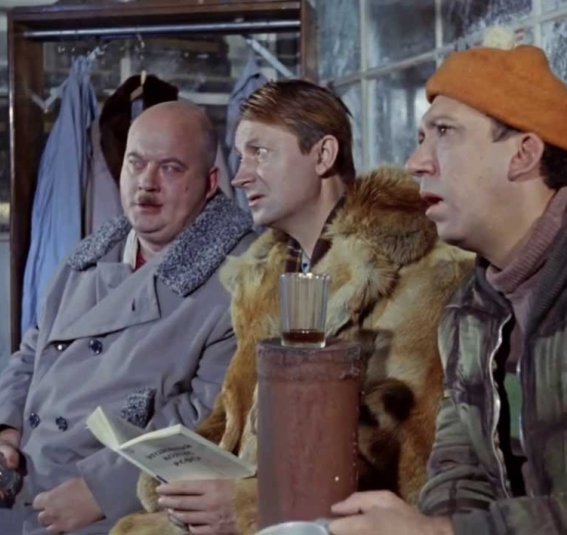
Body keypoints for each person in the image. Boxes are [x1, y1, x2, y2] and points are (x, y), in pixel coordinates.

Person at [326, 27, 567, 535]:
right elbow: (462, 469)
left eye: (444, 132)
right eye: (422, 137)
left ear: (523, 154)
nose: (415, 162)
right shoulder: (470, 305)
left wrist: (446, 533)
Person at [111, 80, 475, 535]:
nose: (241, 176)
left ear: (323, 155)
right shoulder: (263, 278)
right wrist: (180, 470)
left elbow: (402, 453)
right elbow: (232, 418)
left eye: (260, 153)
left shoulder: (424, 271)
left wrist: (251, 505)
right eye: (240, 156)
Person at [0, 101, 256, 535]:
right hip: (27, 492)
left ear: (210, 182)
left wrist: (102, 492)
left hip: (124, 515)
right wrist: (4, 438)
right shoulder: (88, 256)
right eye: (135, 163)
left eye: (170, 168)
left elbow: (209, 415)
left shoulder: (242, 276)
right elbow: (31, 353)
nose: (146, 182)